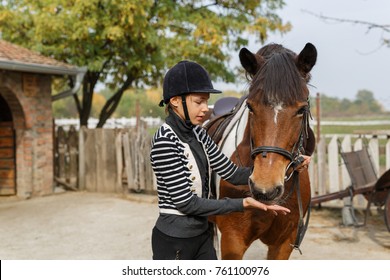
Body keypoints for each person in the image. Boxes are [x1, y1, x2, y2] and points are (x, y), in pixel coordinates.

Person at [150, 60, 310, 260]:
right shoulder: (165, 141)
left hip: (202, 237)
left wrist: (287, 167)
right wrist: (242, 203)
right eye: (198, 102)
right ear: (175, 101)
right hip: (174, 240)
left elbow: (231, 173)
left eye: (206, 102)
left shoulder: (200, 135)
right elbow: (186, 203)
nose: (205, 110)